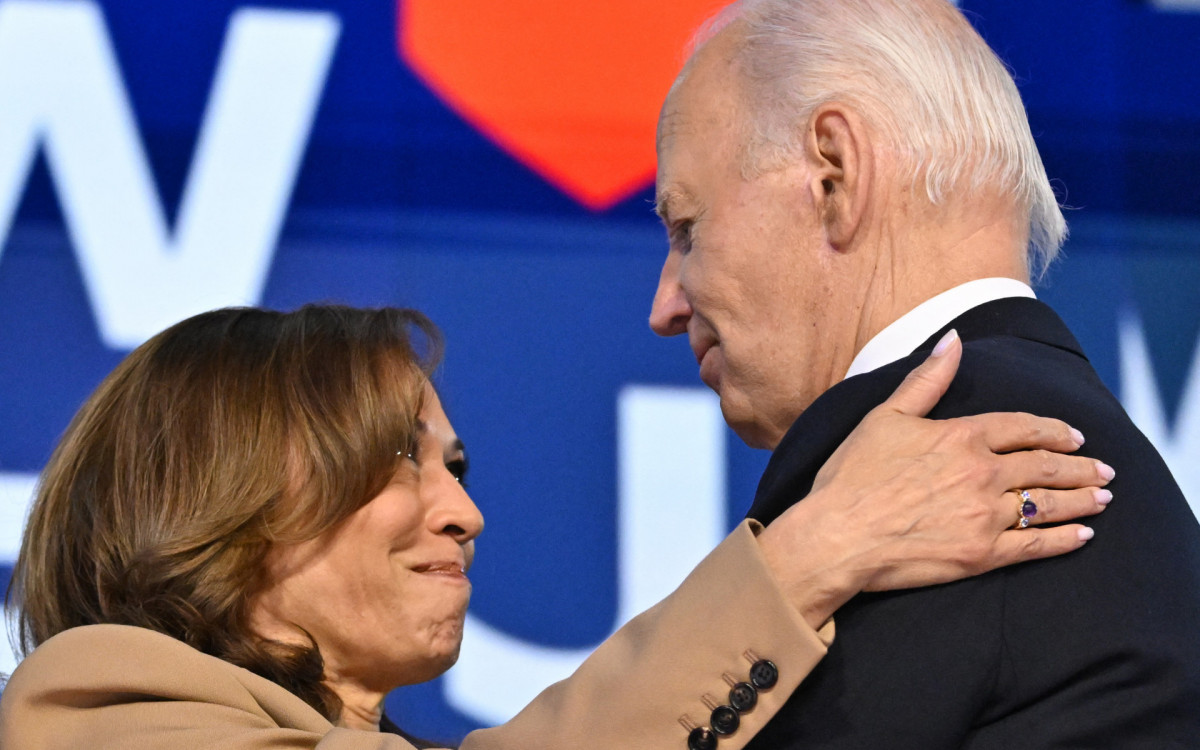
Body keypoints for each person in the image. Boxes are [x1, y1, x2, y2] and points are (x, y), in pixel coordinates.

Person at [0, 305, 1109, 750]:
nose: (465, 512)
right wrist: (813, 553)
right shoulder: (93, 711)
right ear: (214, 492)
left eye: (456, 466)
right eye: (396, 458)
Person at [649, 0, 1200, 746]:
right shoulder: (1110, 458)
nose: (666, 306)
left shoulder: (907, 472)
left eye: (688, 228)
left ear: (834, 174)